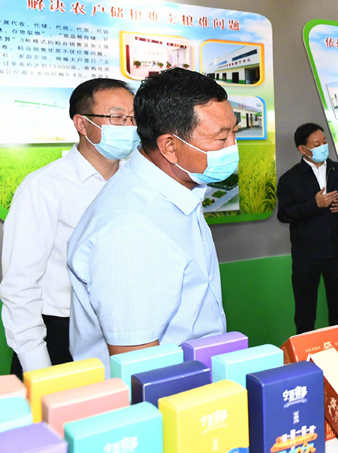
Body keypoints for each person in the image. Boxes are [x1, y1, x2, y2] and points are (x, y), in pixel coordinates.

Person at [68, 68, 232, 375]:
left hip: (193, 388)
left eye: (233, 133)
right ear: (170, 146)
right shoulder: (131, 230)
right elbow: (139, 368)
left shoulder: (177, 191)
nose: (232, 147)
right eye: (221, 138)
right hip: (161, 397)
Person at [0, 79, 137, 378]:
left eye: (133, 118)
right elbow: (19, 286)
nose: (129, 126)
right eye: (117, 117)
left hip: (127, 328)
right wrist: (38, 368)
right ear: (82, 124)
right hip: (59, 334)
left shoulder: (137, 183)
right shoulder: (44, 187)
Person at [277, 123, 338, 334]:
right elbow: (284, 214)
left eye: (324, 142)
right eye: (317, 144)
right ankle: (305, 352)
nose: (323, 147)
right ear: (303, 149)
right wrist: (314, 204)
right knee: (305, 313)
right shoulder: (290, 179)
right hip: (306, 257)